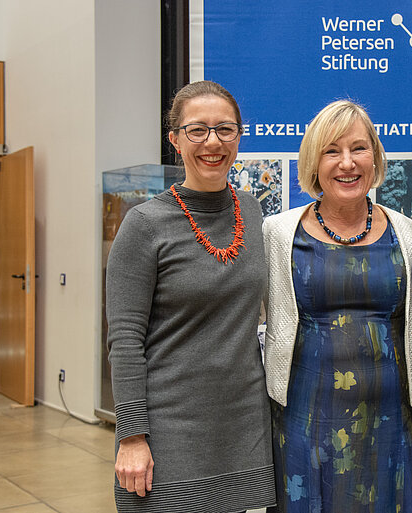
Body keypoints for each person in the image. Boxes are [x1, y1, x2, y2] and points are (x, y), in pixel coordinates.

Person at [106, 80, 275, 512]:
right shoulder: (144, 224)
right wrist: (131, 435)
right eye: (197, 130)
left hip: (242, 423)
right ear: (175, 139)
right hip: (168, 427)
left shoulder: (252, 210)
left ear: (239, 136)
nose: (212, 142)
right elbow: (125, 340)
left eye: (225, 129)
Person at [263, 100, 412, 512]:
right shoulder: (278, 233)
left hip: (394, 420)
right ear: (313, 163)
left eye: (359, 148)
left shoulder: (408, 232)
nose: (347, 163)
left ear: (375, 157)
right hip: (304, 418)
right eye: (332, 151)